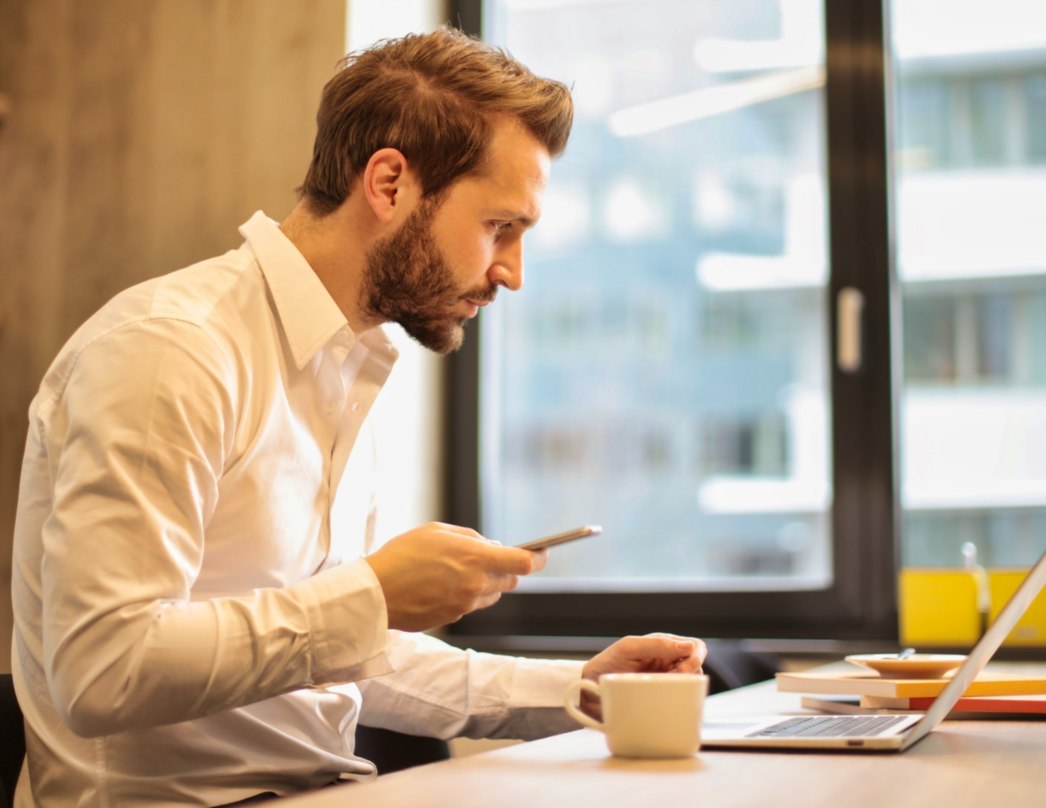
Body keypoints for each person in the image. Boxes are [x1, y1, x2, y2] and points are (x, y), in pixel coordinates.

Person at [10, 28, 706, 807]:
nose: (511, 272)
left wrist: (576, 690)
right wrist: (371, 594)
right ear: (388, 184)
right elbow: (102, 671)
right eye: (499, 227)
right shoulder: (171, 351)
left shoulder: (347, 368)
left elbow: (327, 654)